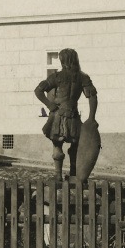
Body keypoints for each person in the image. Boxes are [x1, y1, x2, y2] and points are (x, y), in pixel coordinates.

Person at [35, 49, 98, 180]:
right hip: (73, 116)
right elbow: (92, 96)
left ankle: (59, 174)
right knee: (74, 146)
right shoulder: (82, 77)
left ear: (62, 60)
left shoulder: (56, 76)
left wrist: (49, 105)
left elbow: (38, 90)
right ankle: (72, 174)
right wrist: (91, 117)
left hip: (59, 115)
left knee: (58, 144)